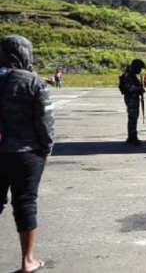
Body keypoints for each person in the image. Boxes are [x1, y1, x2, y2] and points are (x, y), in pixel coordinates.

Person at [0, 35, 55, 273]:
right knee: (25, 203)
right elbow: (45, 121)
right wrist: (46, 150)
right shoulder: (33, 81)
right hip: (26, 153)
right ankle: (27, 261)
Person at [121, 59, 146, 146]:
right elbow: (129, 88)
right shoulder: (128, 75)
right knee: (132, 118)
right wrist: (139, 88)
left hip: (134, 98)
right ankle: (132, 137)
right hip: (131, 99)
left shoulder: (132, 75)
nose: (140, 70)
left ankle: (132, 136)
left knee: (134, 118)